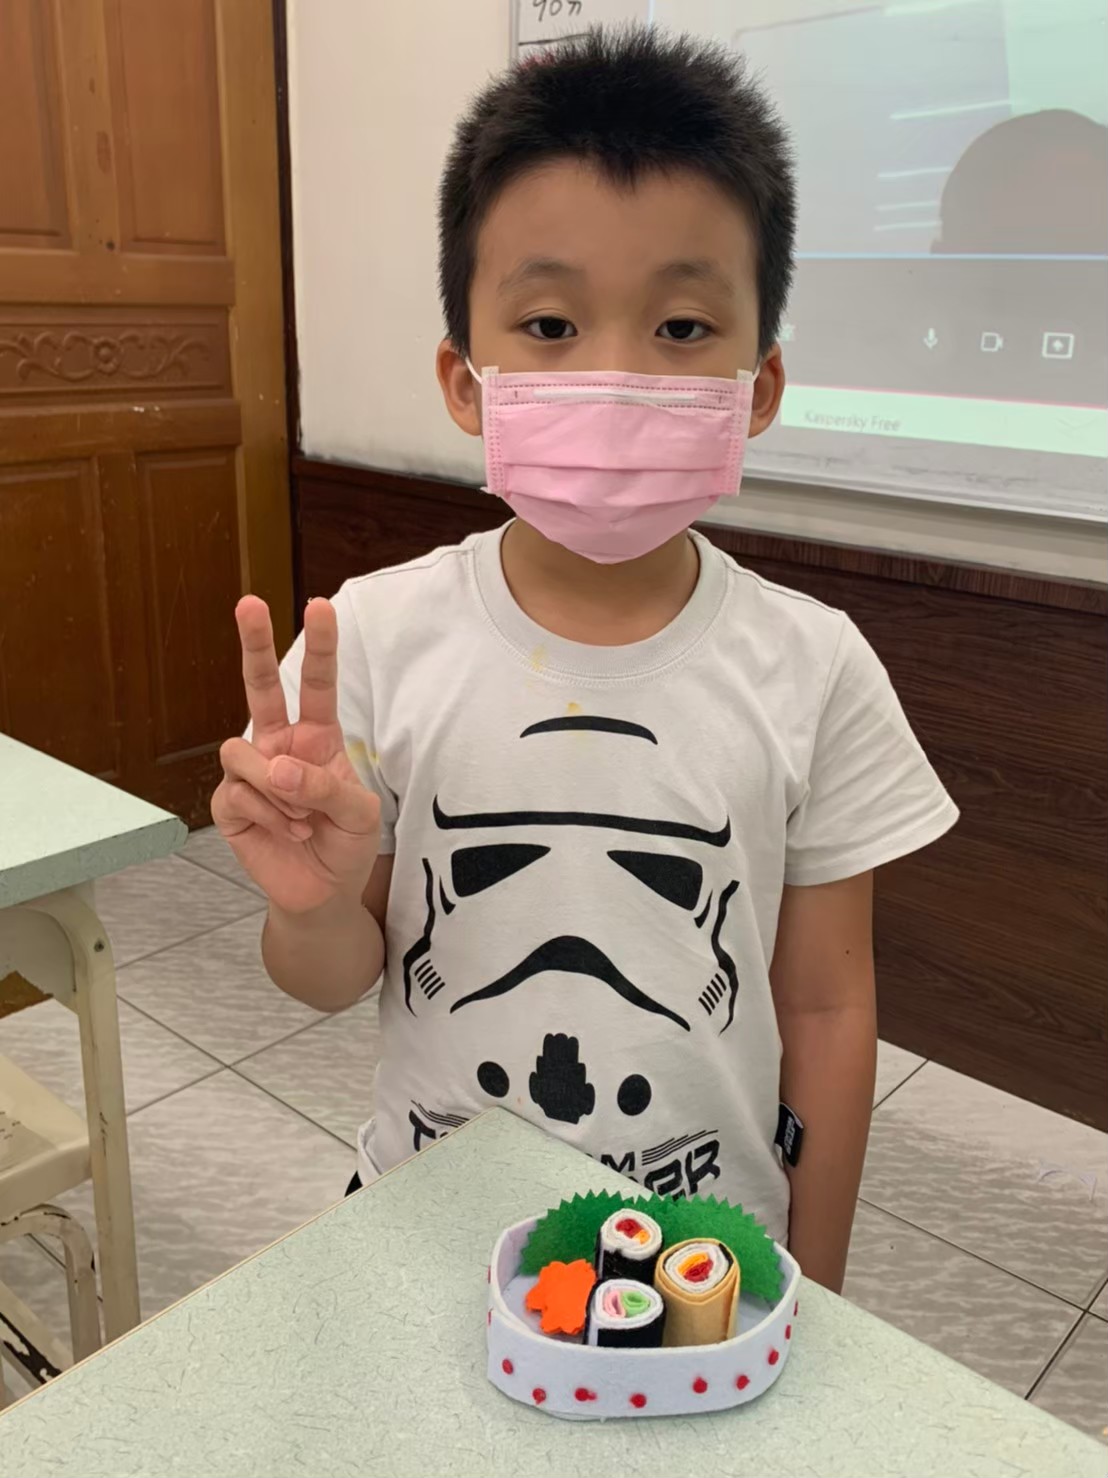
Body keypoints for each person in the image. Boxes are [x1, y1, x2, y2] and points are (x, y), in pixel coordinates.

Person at [212, 27, 957, 1292]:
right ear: (466, 380)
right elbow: (327, 980)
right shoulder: (374, 637)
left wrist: (815, 1289)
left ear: (757, 384)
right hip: (422, 1229)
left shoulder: (814, 665)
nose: (614, 373)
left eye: (681, 325)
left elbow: (828, 1009)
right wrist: (310, 905)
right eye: (549, 323)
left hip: (706, 1258)